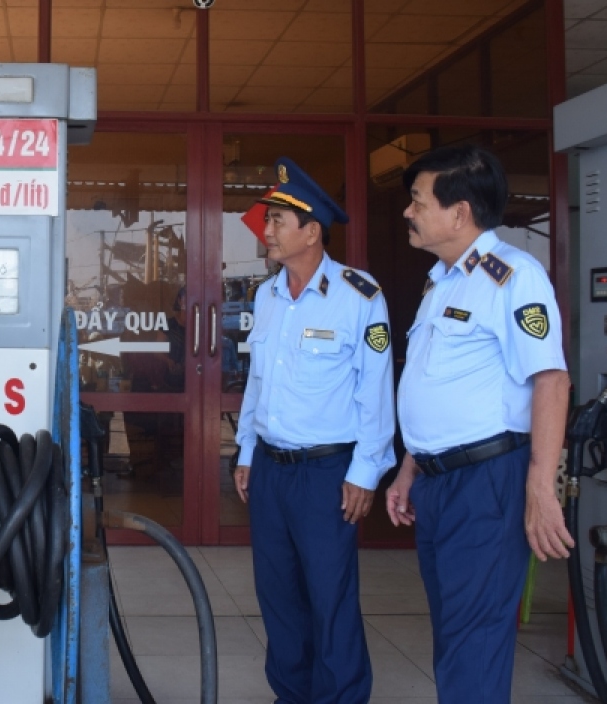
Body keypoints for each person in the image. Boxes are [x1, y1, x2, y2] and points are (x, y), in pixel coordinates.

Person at [385, 145, 572, 702]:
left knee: (475, 640)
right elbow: (440, 387)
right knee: (454, 634)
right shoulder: (442, 281)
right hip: (440, 483)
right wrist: (409, 468)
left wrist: (541, 488)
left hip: (487, 483)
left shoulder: (514, 277)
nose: (408, 212)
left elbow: (551, 382)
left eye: (418, 201)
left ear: (459, 212)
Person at [234, 157, 395, 703]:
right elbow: (259, 382)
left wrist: (366, 473)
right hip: (272, 473)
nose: (267, 230)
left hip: (328, 473)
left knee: (330, 598)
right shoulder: (267, 295)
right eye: (267, 219)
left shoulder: (360, 296)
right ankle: (292, 695)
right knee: (278, 596)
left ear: (312, 231)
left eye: (278, 220)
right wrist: (246, 452)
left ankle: (341, 697)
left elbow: (375, 393)